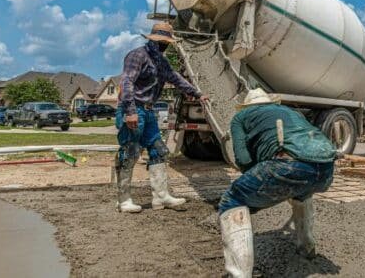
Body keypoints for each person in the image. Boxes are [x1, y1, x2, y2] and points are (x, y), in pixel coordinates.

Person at [217, 89, 337, 277]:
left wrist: (256, 183)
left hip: (287, 164)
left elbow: (242, 158)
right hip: (326, 169)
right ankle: (306, 246)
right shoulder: (291, 112)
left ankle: (238, 274)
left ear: (247, 106)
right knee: (301, 193)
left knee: (231, 200)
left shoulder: (240, 117)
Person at [114, 22, 209, 213]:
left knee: (159, 149)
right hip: (134, 108)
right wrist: (130, 111)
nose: (164, 45)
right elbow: (127, 82)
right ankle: (123, 200)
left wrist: (197, 94)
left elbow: (175, 78)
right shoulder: (138, 56)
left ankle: (161, 196)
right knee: (130, 150)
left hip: (148, 111)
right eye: (162, 41)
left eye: (166, 42)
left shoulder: (161, 62)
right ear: (153, 40)